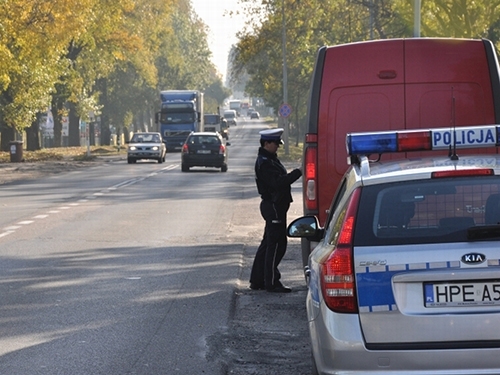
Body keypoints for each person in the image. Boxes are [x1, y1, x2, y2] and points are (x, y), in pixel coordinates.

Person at [249, 128, 302, 293]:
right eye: (275, 144)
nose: (277, 147)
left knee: (268, 244)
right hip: (273, 206)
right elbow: (278, 182)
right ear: (267, 143)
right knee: (276, 245)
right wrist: (299, 172)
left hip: (276, 205)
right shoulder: (265, 162)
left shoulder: (269, 159)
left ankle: (258, 280)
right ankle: (271, 282)